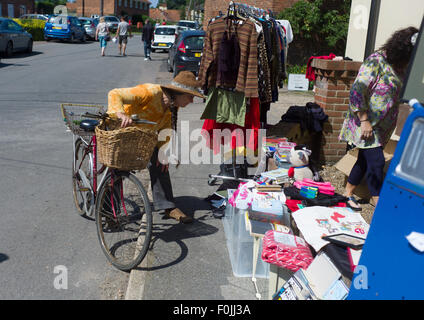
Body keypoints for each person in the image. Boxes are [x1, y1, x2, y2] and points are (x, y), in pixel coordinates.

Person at [107, 71, 205, 223]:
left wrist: (164, 152)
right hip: (123, 131)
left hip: (144, 136)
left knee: (161, 162)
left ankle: (168, 206)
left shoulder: (173, 105)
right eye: (190, 96)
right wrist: (120, 114)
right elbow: (115, 94)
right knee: (118, 169)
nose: (192, 101)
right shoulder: (150, 92)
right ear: (178, 93)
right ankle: (108, 210)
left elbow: (165, 128)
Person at [339, 26, 419, 211]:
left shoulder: (402, 66)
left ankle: (347, 194)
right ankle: (380, 204)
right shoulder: (377, 61)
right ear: (401, 50)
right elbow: (357, 91)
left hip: (384, 125)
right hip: (366, 123)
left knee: (364, 160)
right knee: (377, 162)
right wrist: (364, 120)